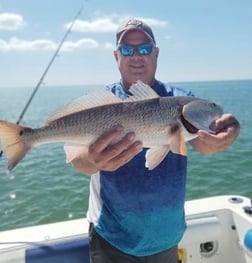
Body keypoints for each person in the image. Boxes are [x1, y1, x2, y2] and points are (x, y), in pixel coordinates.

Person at [66, 19, 240, 263]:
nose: (136, 56)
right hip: (112, 238)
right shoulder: (103, 102)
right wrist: (93, 159)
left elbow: (204, 142)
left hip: (167, 239)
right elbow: (77, 161)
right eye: (127, 49)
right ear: (117, 56)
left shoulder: (179, 100)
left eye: (144, 48)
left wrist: (227, 129)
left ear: (156, 52)